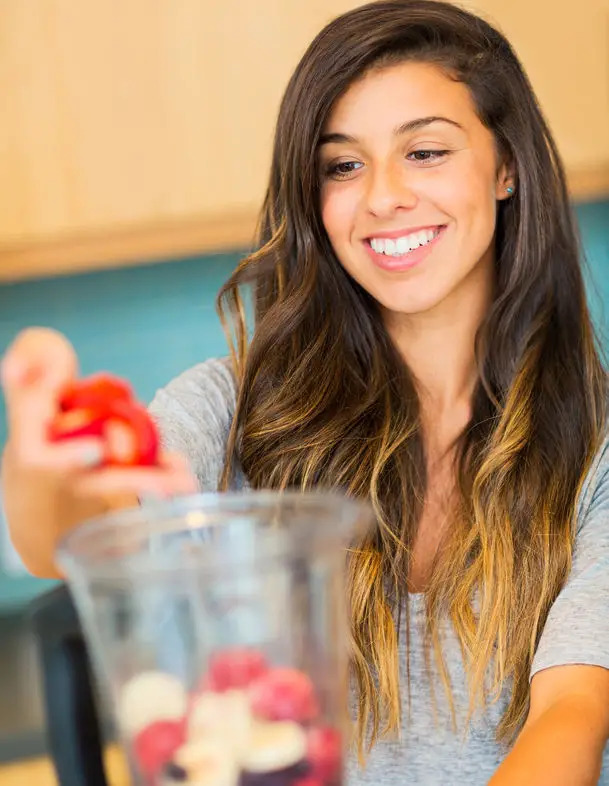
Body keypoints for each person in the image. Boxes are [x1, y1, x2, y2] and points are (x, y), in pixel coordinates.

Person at [2, 1, 609, 783]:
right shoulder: (233, 410)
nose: (383, 197)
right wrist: (42, 459)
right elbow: (69, 538)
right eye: (343, 166)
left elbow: (575, 710)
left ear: (505, 167)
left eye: (424, 152)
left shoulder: (593, 441)